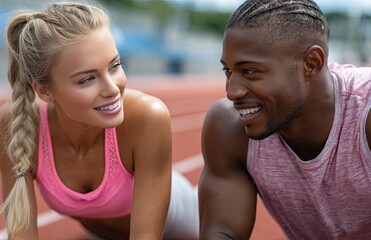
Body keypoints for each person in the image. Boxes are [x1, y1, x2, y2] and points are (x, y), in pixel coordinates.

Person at [0, 2, 199, 239]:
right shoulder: (16, 124)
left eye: (115, 65)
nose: (113, 88)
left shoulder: (149, 115)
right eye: (87, 79)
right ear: (44, 92)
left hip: (185, 228)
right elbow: (20, 233)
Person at [199, 0, 371, 239]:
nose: (232, 92)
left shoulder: (366, 113)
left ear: (311, 63)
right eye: (227, 71)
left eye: (249, 71)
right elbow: (223, 231)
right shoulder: (230, 128)